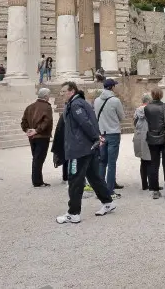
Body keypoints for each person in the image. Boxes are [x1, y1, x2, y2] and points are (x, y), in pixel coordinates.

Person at [56, 82, 116, 224]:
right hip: (87, 147)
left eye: (64, 91)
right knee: (94, 177)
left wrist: (96, 137)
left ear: (71, 91)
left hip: (79, 149)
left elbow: (85, 123)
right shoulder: (81, 102)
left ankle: (73, 213)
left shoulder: (76, 105)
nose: (62, 94)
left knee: (75, 180)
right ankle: (108, 202)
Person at [94, 78, 125, 199]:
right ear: (112, 87)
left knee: (102, 162)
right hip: (113, 133)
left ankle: (100, 190)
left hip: (101, 133)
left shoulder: (96, 100)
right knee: (112, 163)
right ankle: (110, 190)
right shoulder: (115, 101)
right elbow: (122, 117)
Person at [144, 86, 165, 199]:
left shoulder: (147, 108)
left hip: (152, 137)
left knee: (154, 165)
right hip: (164, 137)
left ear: (152, 95)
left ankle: (155, 191)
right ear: (161, 95)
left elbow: (148, 121)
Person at [21, 88, 54, 188]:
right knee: (39, 159)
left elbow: (23, 121)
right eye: (48, 95)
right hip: (42, 136)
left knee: (36, 158)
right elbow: (46, 122)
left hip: (32, 137)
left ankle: (38, 180)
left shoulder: (30, 107)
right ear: (45, 96)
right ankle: (37, 181)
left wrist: (27, 130)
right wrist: (37, 130)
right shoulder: (47, 107)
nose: (49, 97)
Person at [133, 94, 152, 190]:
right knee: (150, 161)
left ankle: (144, 184)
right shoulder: (150, 111)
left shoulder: (137, 111)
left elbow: (135, 123)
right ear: (148, 101)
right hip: (148, 136)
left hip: (139, 137)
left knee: (143, 161)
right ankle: (152, 183)